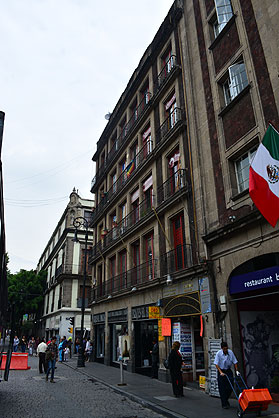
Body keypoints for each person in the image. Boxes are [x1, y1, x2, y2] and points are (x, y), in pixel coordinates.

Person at [214, 341, 239, 409]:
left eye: (226, 348)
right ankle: (224, 403)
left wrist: (236, 370)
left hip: (228, 370)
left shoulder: (230, 353)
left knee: (230, 387)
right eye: (224, 349)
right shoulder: (218, 354)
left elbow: (235, 362)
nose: (225, 350)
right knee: (222, 388)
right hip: (221, 371)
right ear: (222, 348)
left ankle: (226, 399)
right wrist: (220, 372)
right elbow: (216, 364)